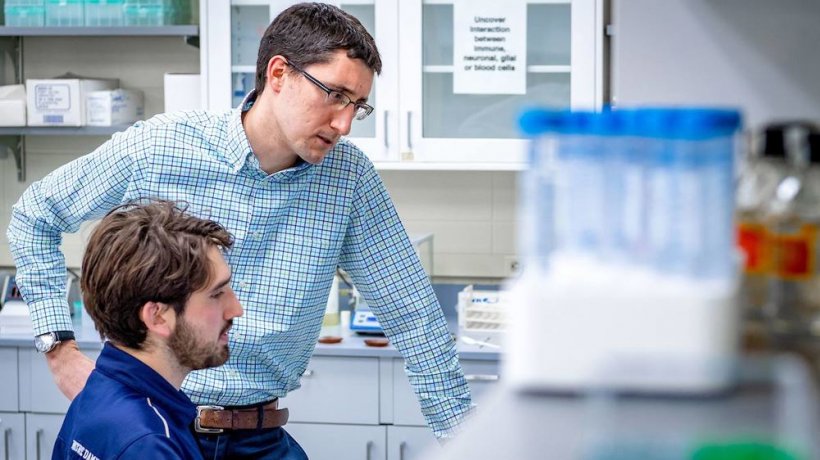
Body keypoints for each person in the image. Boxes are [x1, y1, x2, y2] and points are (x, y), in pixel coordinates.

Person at [8, 2, 472, 458]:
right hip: (148, 421)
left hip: (258, 437)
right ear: (278, 74)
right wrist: (58, 349)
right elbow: (35, 215)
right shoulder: (162, 145)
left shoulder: (348, 180)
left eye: (357, 106)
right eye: (334, 94)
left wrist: (465, 442)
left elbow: (416, 321)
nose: (344, 124)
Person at [52, 200, 244, 459]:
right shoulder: (151, 444)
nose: (236, 309)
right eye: (217, 293)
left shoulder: (95, 394)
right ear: (158, 317)